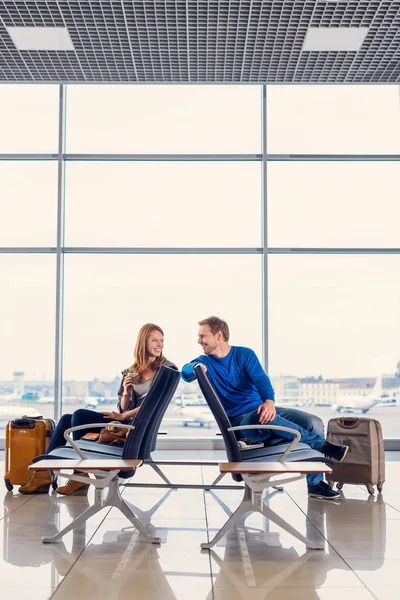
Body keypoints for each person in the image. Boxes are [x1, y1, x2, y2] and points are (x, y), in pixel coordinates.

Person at [181, 316, 349, 500]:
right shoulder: (205, 361)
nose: (199, 341)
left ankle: (315, 485)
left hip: (261, 408)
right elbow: (186, 373)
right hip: (242, 421)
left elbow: (261, 379)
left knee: (313, 422)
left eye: (202, 336)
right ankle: (323, 446)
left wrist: (269, 402)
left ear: (218, 335)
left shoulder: (244, 354)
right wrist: (196, 367)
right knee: (265, 417)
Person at [19, 323, 177, 496]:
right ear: (143, 342)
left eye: (161, 341)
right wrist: (126, 392)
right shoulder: (131, 371)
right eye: (154, 340)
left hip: (132, 428)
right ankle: (46, 475)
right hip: (122, 422)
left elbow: (150, 407)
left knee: (78, 415)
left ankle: (77, 475)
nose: (159, 344)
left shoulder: (165, 370)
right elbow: (123, 406)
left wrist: (123, 415)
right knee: (66, 419)